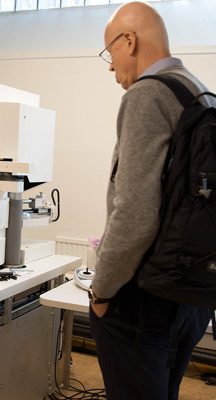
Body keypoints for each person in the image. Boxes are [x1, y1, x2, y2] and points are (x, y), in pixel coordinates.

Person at [89, 2, 214, 400]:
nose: (110, 66)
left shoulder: (147, 94)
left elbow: (136, 213)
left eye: (110, 52)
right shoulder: (199, 92)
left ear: (130, 40)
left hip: (144, 299)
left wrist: (102, 292)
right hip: (191, 292)